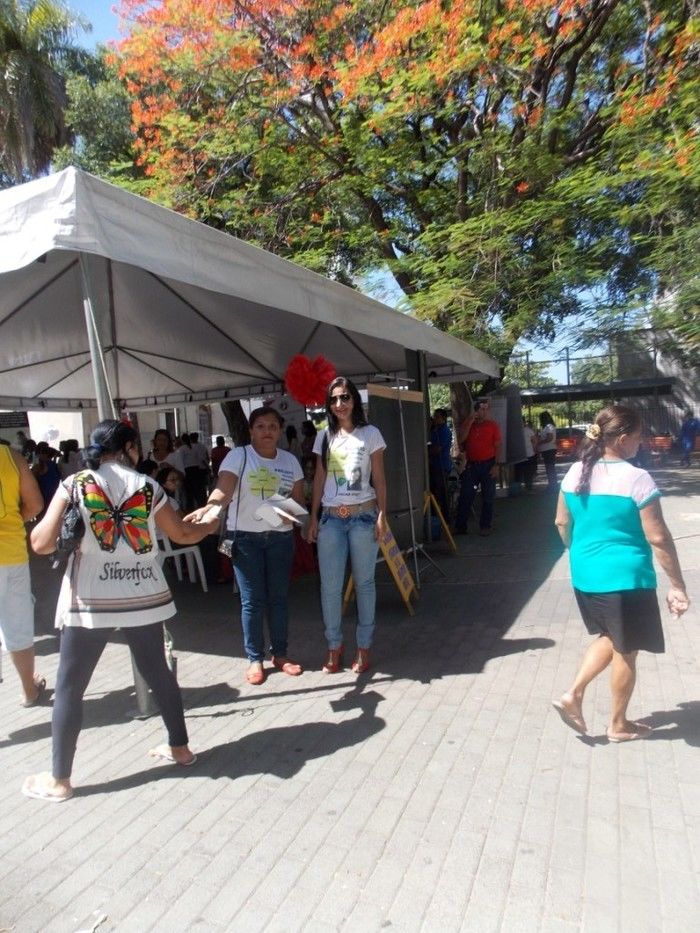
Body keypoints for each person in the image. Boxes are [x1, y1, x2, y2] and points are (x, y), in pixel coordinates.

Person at [22, 420, 218, 803]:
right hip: (142, 597)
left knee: (70, 687)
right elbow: (181, 534)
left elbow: (41, 543)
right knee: (158, 673)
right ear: (129, 448)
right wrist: (209, 525)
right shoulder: (148, 487)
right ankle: (180, 749)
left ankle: (60, 780)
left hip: (90, 601)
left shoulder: (76, 483)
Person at [552, 405, 690, 742]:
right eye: (639, 437)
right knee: (627, 649)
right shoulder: (636, 478)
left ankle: (573, 695)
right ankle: (617, 724)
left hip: (585, 574)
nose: (641, 443)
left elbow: (561, 523)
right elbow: (658, 537)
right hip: (626, 578)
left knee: (612, 636)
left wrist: (578, 551)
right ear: (623, 438)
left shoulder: (574, 473)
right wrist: (677, 585)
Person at [186, 408, 304, 685]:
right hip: (245, 539)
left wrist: (294, 516)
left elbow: (298, 501)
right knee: (252, 601)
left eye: (272, 426)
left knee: (278, 599)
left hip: (280, 538)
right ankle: (255, 658)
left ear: (279, 430)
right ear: (251, 430)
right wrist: (209, 506)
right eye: (260, 426)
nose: (267, 431)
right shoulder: (239, 456)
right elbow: (223, 490)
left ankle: (280, 654)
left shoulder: (290, 461)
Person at [306, 377, 387, 674]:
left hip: (363, 516)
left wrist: (382, 514)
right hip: (331, 520)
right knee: (330, 587)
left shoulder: (371, 434)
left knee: (365, 583)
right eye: (334, 399)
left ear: (354, 399)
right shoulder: (324, 436)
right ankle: (334, 646)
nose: (340, 404)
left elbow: (379, 478)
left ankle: (363, 647)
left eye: (345, 397)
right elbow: (319, 478)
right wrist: (313, 516)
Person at [0, 443, 46, 706]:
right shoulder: (12, 457)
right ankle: (29, 691)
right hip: (12, 554)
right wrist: (15, 520)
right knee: (18, 626)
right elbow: (35, 504)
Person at [454, 398, 501, 536]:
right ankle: (460, 526)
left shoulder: (492, 425)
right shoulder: (469, 423)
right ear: (476, 410)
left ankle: (485, 525)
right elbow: (461, 439)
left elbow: (498, 446)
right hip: (472, 465)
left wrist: (496, 465)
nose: (484, 412)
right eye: (482, 409)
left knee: (488, 496)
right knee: (466, 495)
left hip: (488, 464)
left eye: (486, 409)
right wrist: (470, 421)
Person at [428, 408, 453, 519]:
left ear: (443, 418)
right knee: (433, 492)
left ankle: (446, 518)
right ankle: (434, 517)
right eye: (434, 416)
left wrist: (426, 452)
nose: (435, 419)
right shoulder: (434, 430)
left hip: (441, 466)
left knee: (442, 494)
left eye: (437, 417)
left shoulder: (445, 431)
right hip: (433, 466)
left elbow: (438, 449)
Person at [537, 411, 558, 492]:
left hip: (549, 450)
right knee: (549, 468)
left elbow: (549, 438)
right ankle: (552, 485)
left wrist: (540, 442)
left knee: (550, 468)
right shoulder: (547, 427)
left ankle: (553, 486)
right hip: (547, 450)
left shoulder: (549, 426)